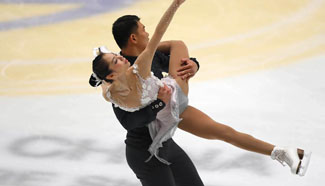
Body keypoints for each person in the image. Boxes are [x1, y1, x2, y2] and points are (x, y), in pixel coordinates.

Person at [90, 0, 311, 185]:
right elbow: (130, 121)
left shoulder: (148, 57)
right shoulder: (122, 80)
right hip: (146, 144)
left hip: (169, 122)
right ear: (133, 38)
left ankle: (284, 153)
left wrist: (194, 65)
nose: (146, 32)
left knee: (224, 132)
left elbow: (168, 53)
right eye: (142, 29)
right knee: (178, 44)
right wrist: (157, 102)